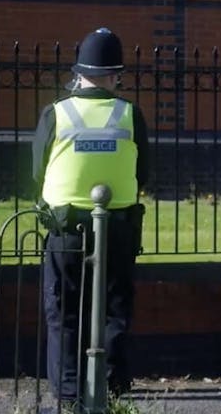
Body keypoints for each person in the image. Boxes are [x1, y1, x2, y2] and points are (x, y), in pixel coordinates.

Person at [32, 27, 149, 403]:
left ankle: (68, 394)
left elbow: (38, 169)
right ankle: (110, 388)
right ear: (116, 74)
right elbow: (143, 170)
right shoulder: (131, 114)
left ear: (78, 72)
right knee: (114, 308)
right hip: (118, 225)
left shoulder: (56, 113)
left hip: (65, 226)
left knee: (64, 310)